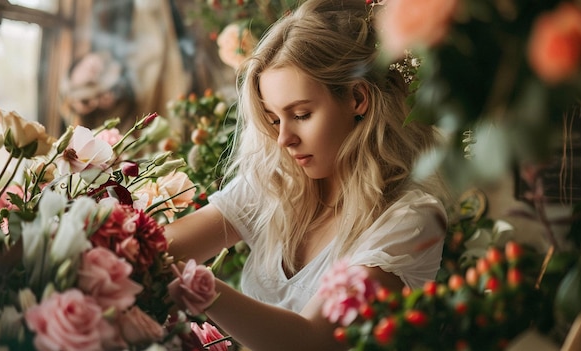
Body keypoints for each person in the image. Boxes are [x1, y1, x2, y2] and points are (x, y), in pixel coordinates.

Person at [164, 0, 448, 349]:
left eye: (300, 114)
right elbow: (164, 247)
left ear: (358, 99)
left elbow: (312, 341)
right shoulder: (277, 182)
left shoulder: (410, 218)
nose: (284, 139)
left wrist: (200, 288)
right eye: (274, 119)